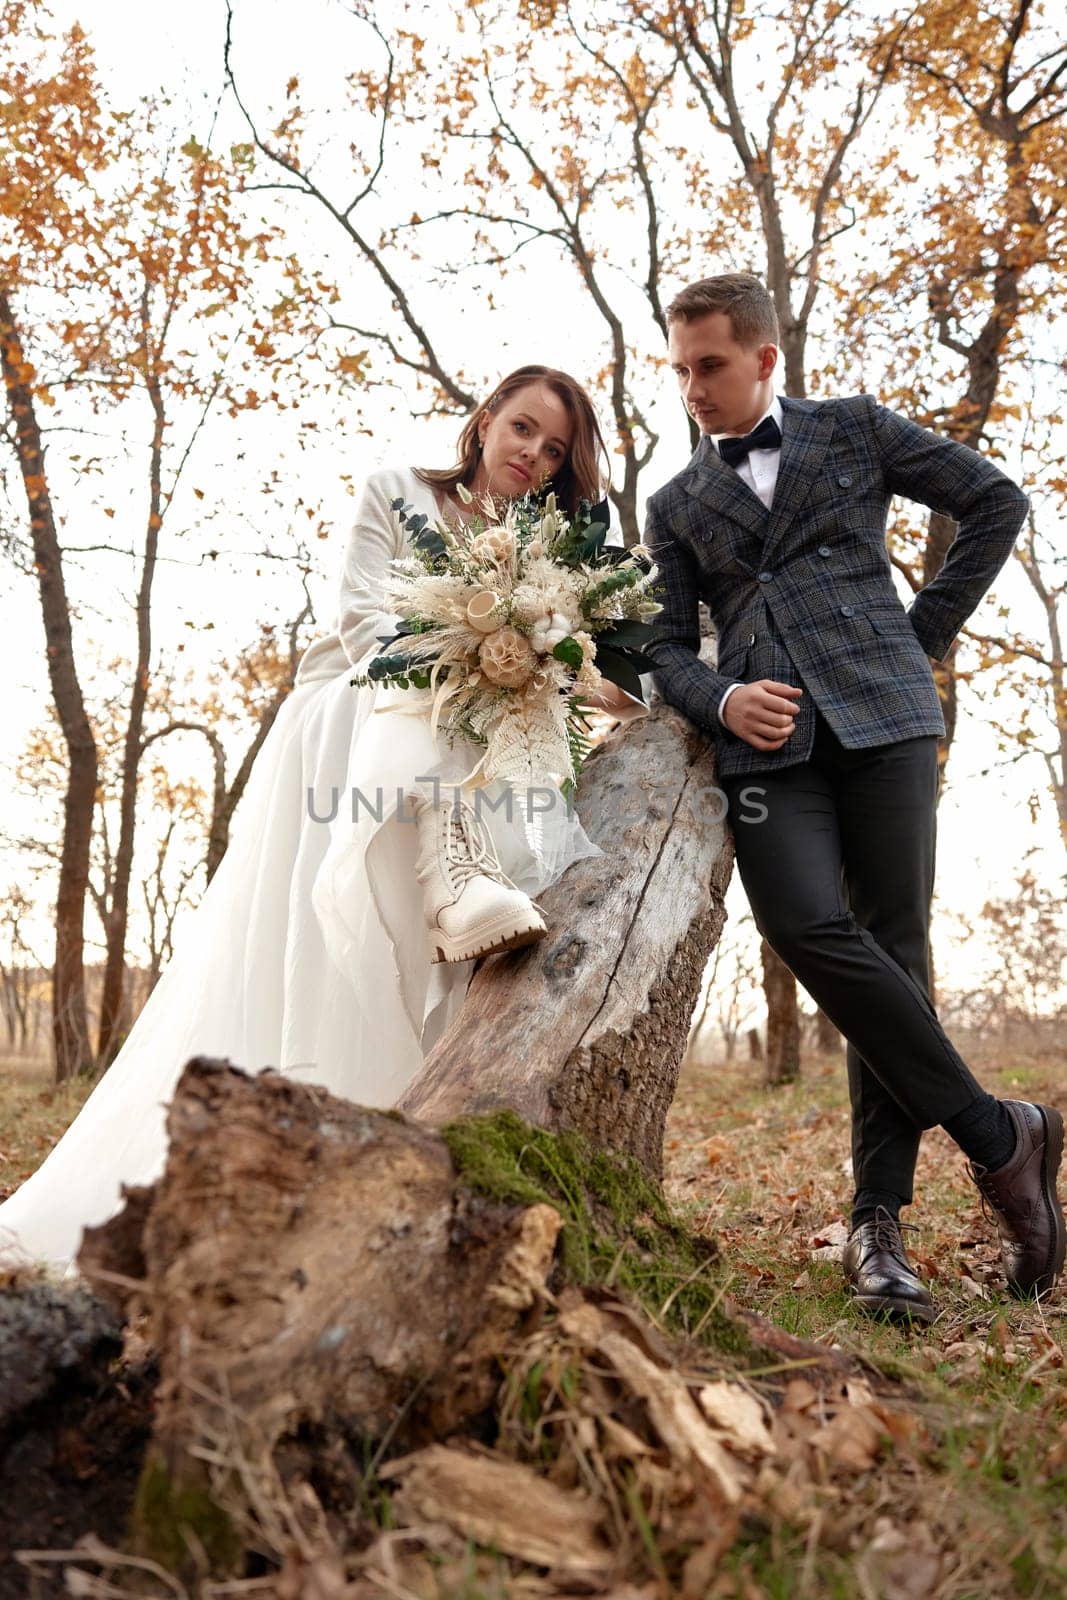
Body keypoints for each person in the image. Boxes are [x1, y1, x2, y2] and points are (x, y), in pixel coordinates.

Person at [0, 365, 646, 1277]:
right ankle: (451, 873)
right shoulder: (397, 492)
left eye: (553, 450)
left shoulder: (547, 552)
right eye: (522, 429)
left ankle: (407, 1136)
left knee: (499, 744)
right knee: (398, 702)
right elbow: (357, 627)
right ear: (485, 419)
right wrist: (472, 652)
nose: (532, 455)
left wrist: (573, 667)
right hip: (349, 718)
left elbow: (581, 672)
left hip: (468, 746)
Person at [644, 272, 1064, 1320]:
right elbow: (655, 642)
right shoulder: (674, 503)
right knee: (805, 928)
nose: (694, 387)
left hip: (884, 719)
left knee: (897, 945)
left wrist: (913, 640)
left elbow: (992, 501)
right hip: (765, 748)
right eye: (681, 369)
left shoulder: (853, 429)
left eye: (710, 365)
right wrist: (719, 696)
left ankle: (877, 1225)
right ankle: (996, 1135)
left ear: (762, 359)